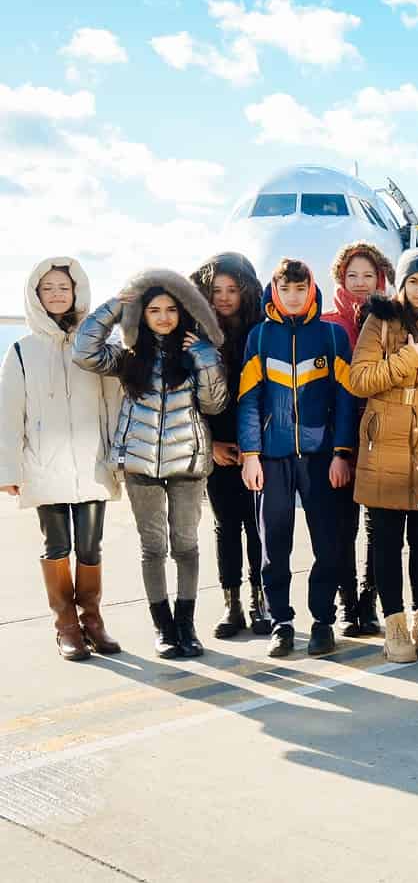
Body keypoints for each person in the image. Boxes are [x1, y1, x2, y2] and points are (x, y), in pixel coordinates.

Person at [74, 269, 228, 659]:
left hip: (188, 466)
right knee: (153, 548)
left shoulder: (196, 352)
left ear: (183, 312)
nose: (163, 317)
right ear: (142, 314)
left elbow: (215, 405)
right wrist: (116, 304)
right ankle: (163, 628)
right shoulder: (128, 357)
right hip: (141, 466)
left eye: (171, 309)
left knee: (186, 545)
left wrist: (206, 360)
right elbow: (84, 351)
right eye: (153, 309)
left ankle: (186, 626)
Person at [1, 257, 123, 661]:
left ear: (77, 293)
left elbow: (114, 403)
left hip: (91, 461)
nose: (56, 294)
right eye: (48, 288)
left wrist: (117, 456)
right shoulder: (21, 352)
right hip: (43, 464)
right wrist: (9, 469)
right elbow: (8, 415)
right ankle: (66, 626)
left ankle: (93, 620)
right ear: (36, 296)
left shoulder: (95, 346)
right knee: (57, 545)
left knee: (91, 546)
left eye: (63, 288)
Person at [238, 258, 356, 658]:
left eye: (300, 289)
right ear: (274, 290)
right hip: (271, 458)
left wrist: (342, 453)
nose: (292, 297)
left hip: (321, 457)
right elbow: (248, 400)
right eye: (285, 289)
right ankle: (281, 622)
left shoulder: (332, 336)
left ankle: (323, 621)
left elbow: (345, 402)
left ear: (311, 290)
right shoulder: (259, 337)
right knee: (275, 545)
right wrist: (250, 455)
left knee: (329, 542)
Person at [349, 252, 418, 663]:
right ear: (401, 284)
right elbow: (358, 379)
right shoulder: (380, 321)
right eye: (413, 281)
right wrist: (407, 359)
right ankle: (393, 622)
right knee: (386, 535)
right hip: (388, 434)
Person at [191, 252, 269, 638]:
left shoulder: (261, 331)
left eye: (232, 289)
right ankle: (231, 603)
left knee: (258, 526)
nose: (223, 297)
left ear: (246, 291)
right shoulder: (197, 338)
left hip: (257, 446)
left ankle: (260, 601)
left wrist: (258, 446)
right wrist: (210, 446)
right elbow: (184, 399)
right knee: (226, 526)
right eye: (216, 290)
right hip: (218, 445)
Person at [324, 241, 393, 637]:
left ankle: (370, 600)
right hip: (339, 439)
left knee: (377, 527)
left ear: (381, 279)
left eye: (369, 275)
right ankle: (347, 600)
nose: (361, 283)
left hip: (380, 435)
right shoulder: (330, 323)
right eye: (353, 275)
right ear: (341, 278)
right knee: (341, 525)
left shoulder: (392, 320)